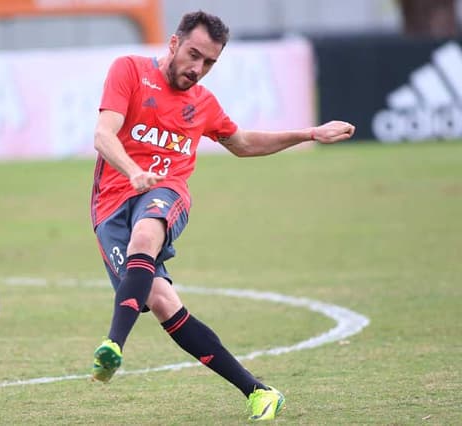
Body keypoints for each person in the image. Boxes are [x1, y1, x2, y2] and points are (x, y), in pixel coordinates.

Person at [89, 10, 355, 422]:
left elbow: (243, 142)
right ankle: (259, 392)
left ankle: (113, 346)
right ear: (174, 44)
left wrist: (309, 133)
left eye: (209, 63)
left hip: (165, 192)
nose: (198, 69)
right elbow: (104, 134)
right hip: (111, 206)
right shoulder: (129, 71)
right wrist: (134, 171)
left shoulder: (203, 104)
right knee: (160, 300)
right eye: (194, 55)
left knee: (146, 234)